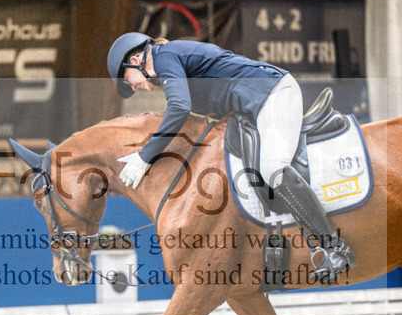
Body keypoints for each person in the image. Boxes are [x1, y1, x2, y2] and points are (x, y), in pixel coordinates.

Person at [106, 32, 355, 280]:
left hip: (272, 94)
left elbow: (179, 108)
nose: (133, 86)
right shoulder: (170, 61)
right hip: (253, 106)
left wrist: (146, 154)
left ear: (136, 58)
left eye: (127, 79)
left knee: (272, 170)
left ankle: (336, 249)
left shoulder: (164, 57)